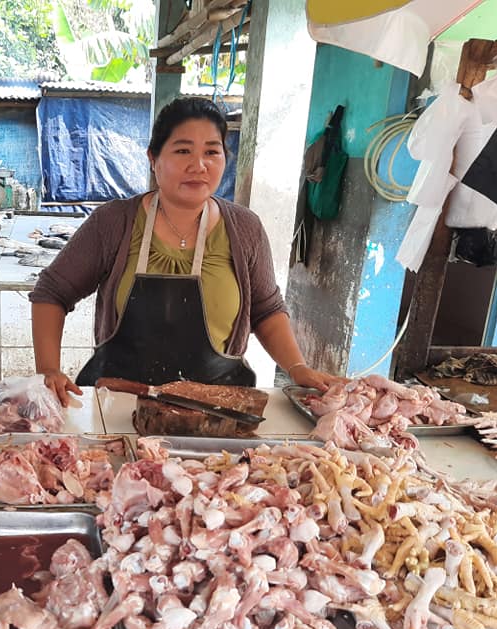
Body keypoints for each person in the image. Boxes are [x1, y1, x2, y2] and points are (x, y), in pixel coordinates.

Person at [29, 97, 337, 406]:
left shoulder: (245, 230)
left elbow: (267, 310)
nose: (198, 165)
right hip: (120, 405)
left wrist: (298, 367)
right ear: (154, 158)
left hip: (215, 411)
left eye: (212, 152)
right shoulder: (114, 222)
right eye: (182, 150)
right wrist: (49, 370)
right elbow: (52, 292)